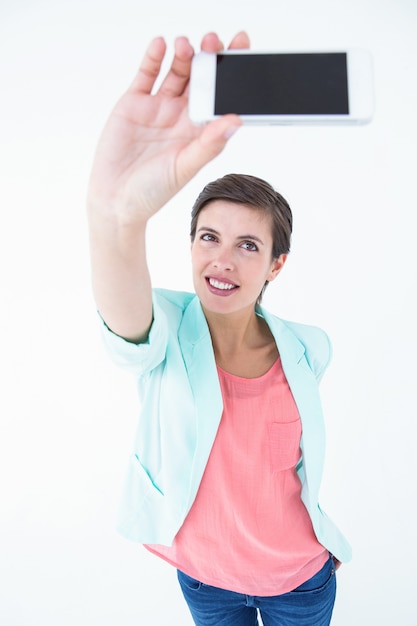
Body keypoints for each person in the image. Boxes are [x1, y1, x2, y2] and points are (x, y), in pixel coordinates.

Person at [87, 31, 351, 626]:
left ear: (275, 265)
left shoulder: (310, 349)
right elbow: (125, 329)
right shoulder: (162, 326)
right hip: (205, 580)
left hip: (299, 581)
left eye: (247, 245)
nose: (222, 261)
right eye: (209, 237)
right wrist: (116, 215)